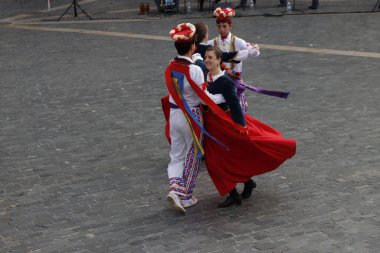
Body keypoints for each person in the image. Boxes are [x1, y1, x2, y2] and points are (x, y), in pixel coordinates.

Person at [202, 46, 297, 207]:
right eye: (206, 57)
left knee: (225, 157)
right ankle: (244, 185)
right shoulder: (205, 77)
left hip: (225, 125)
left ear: (219, 60)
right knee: (218, 158)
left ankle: (236, 191)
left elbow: (235, 105)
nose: (207, 60)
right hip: (213, 126)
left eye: (211, 57)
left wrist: (241, 127)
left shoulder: (224, 80)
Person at [162, 23, 225, 214]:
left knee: (176, 155)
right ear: (193, 46)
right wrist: (225, 95)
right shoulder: (194, 71)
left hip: (174, 114)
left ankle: (174, 188)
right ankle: (185, 195)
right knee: (194, 154)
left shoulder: (170, 66)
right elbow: (204, 97)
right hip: (192, 116)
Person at [207, 7, 260, 113]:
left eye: (224, 26)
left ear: (230, 26)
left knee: (236, 113)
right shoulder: (212, 43)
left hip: (234, 83)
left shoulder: (238, 42)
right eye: (219, 26)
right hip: (218, 83)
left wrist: (255, 48)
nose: (221, 29)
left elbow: (255, 53)